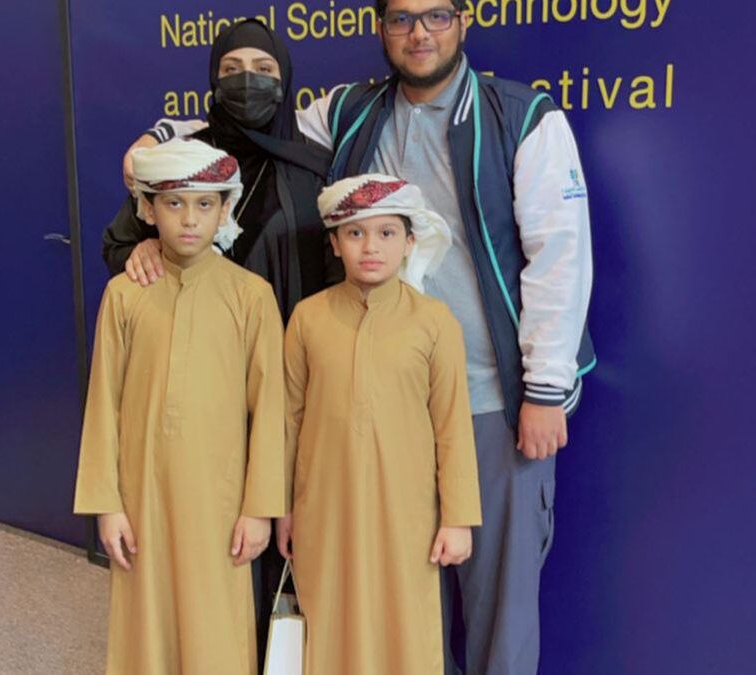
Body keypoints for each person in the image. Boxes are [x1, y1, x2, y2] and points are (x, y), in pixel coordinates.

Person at [133, 3, 596, 672]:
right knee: (397, 602)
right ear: (381, 29)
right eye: (402, 19)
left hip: (488, 402)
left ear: (462, 22)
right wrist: (158, 141)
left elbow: (561, 254)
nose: (419, 33)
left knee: (500, 604)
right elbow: (247, 125)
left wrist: (546, 388)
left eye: (436, 16)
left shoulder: (522, 117)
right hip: (379, 414)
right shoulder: (353, 112)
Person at [74, 138, 285, 675]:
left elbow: (271, 412)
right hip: (140, 493)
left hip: (221, 500)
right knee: (145, 627)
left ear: (225, 210)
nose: (190, 219)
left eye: (204, 204)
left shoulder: (252, 295)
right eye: (174, 203)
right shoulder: (125, 295)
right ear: (148, 210)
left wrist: (260, 507)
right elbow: (103, 403)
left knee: (216, 628)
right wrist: (106, 504)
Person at [278, 173, 482, 675]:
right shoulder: (307, 318)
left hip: (406, 512)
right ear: (335, 243)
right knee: (329, 618)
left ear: (410, 242)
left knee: (403, 625)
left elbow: (452, 426)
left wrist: (457, 518)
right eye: (355, 233)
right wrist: (281, 508)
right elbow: (287, 419)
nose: (371, 247)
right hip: (323, 507)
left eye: (387, 233)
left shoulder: (434, 322)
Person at [105, 19, 334, 322]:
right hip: (195, 337)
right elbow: (118, 244)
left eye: (264, 69)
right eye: (232, 69)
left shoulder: (313, 166)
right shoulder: (185, 157)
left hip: (285, 340)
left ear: (284, 81)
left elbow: (338, 271)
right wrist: (144, 251)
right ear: (216, 81)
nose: (248, 80)